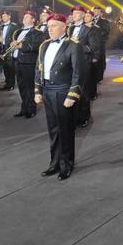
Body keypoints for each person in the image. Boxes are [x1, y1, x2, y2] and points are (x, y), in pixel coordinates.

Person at [34, 13, 83, 180]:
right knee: (53, 130)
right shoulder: (44, 46)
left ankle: (66, 164)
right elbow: (38, 70)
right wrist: (38, 91)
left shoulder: (73, 45)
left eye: (53, 26)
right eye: (48, 27)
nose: (50, 30)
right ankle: (54, 163)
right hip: (47, 90)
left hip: (63, 91)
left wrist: (72, 94)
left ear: (64, 26)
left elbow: (78, 73)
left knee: (66, 130)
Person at [68, 6, 101, 128]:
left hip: (83, 63)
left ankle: (84, 117)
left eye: (77, 13)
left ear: (83, 15)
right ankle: (73, 115)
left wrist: (76, 46)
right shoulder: (69, 28)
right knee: (71, 90)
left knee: (83, 91)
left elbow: (93, 47)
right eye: (73, 13)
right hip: (69, 64)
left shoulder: (89, 29)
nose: (75, 15)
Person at [12, 11, 44, 118]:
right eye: (24, 17)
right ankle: (24, 108)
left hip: (29, 62)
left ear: (33, 20)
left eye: (27, 17)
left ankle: (31, 109)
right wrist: (12, 44)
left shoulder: (38, 32)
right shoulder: (19, 31)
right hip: (18, 61)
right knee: (21, 87)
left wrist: (22, 46)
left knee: (30, 87)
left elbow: (36, 46)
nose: (24, 19)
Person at [0, 11, 19, 91]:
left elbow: (16, 37)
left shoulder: (14, 26)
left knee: (11, 68)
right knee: (5, 68)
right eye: (2, 16)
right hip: (3, 48)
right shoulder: (1, 26)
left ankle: (11, 84)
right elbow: (0, 35)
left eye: (5, 16)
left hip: (10, 49)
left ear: (9, 16)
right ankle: (7, 83)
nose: (3, 18)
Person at [92, 5, 110, 83]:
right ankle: (93, 76)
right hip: (91, 43)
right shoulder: (90, 20)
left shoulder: (104, 21)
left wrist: (97, 30)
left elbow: (106, 31)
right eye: (94, 11)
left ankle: (99, 77)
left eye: (97, 11)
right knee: (92, 60)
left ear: (100, 12)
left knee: (100, 60)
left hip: (100, 43)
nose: (95, 12)